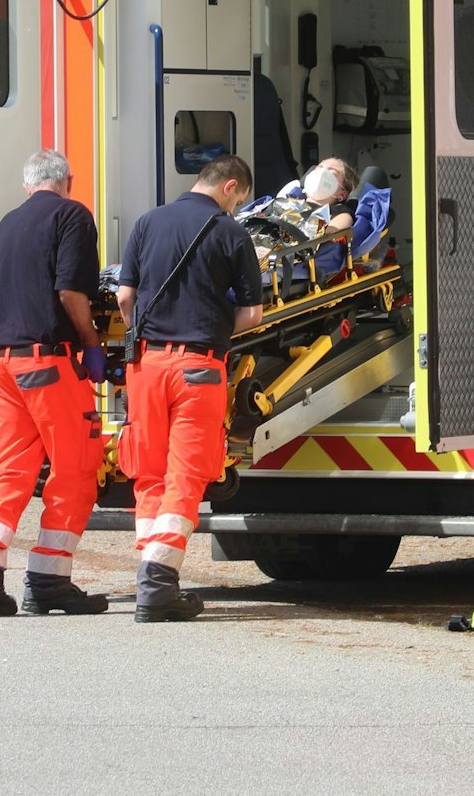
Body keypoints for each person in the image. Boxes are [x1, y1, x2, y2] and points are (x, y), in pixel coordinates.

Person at [116, 153, 264, 622]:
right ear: (230, 186)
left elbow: (125, 296)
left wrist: (146, 332)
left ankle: (150, 571)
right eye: (238, 200)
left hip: (145, 365)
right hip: (198, 369)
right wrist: (211, 328)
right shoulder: (231, 233)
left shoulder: (147, 222)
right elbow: (252, 314)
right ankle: (159, 583)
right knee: (186, 474)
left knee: (149, 472)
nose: (236, 208)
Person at [0, 150, 109, 618]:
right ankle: (49, 579)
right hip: (45, 363)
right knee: (75, 465)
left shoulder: (4, 226)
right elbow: (70, 291)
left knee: (8, 471)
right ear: (69, 180)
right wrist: (91, 342)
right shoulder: (72, 216)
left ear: (27, 186)